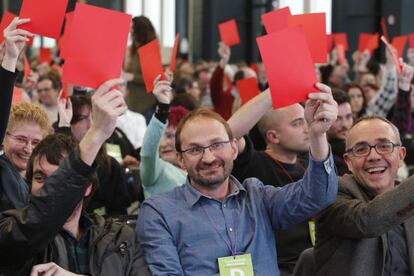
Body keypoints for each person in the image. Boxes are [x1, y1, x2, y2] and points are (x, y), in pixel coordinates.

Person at [136, 82, 338, 275]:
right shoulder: (159, 211)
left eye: (217, 145)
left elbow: (318, 196)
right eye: (195, 149)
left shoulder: (257, 196)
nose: (208, 158)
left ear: (233, 148)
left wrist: (318, 135)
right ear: (180, 159)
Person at [0, 78, 150, 275]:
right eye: (39, 177)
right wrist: (95, 133)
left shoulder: (121, 236)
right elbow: (42, 214)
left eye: (59, 178)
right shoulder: (11, 229)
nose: (51, 187)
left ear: (86, 186)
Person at [315, 115, 414, 276]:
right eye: (361, 150)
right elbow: (367, 221)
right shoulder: (330, 192)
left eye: (384, 146)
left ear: (401, 156)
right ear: (348, 162)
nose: (374, 157)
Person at [0, 18, 52, 212]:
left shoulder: (42, 178)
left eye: (36, 142)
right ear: (3, 137)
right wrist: (10, 59)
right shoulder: (2, 171)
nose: (28, 149)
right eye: (21, 139)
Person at [56, 94, 131, 216]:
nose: (91, 125)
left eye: (94, 117)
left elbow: (119, 213)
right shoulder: (58, 161)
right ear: (70, 122)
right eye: (83, 118)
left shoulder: (111, 166)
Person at [140, 73, 189, 198]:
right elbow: (148, 154)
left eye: (171, 136)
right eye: (161, 137)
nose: (163, 143)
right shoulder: (155, 170)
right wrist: (162, 107)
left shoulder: (197, 167)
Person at [124, 16, 157, 121]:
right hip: (134, 100)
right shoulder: (135, 49)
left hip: (145, 103)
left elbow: (152, 78)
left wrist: (132, 77)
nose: (130, 31)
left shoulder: (149, 50)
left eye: (133, 28)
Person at [327, 89, 353, 176]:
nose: (344, 124)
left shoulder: (359, 147)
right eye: (337, 119)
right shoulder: (321, 156)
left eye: (348, 117)